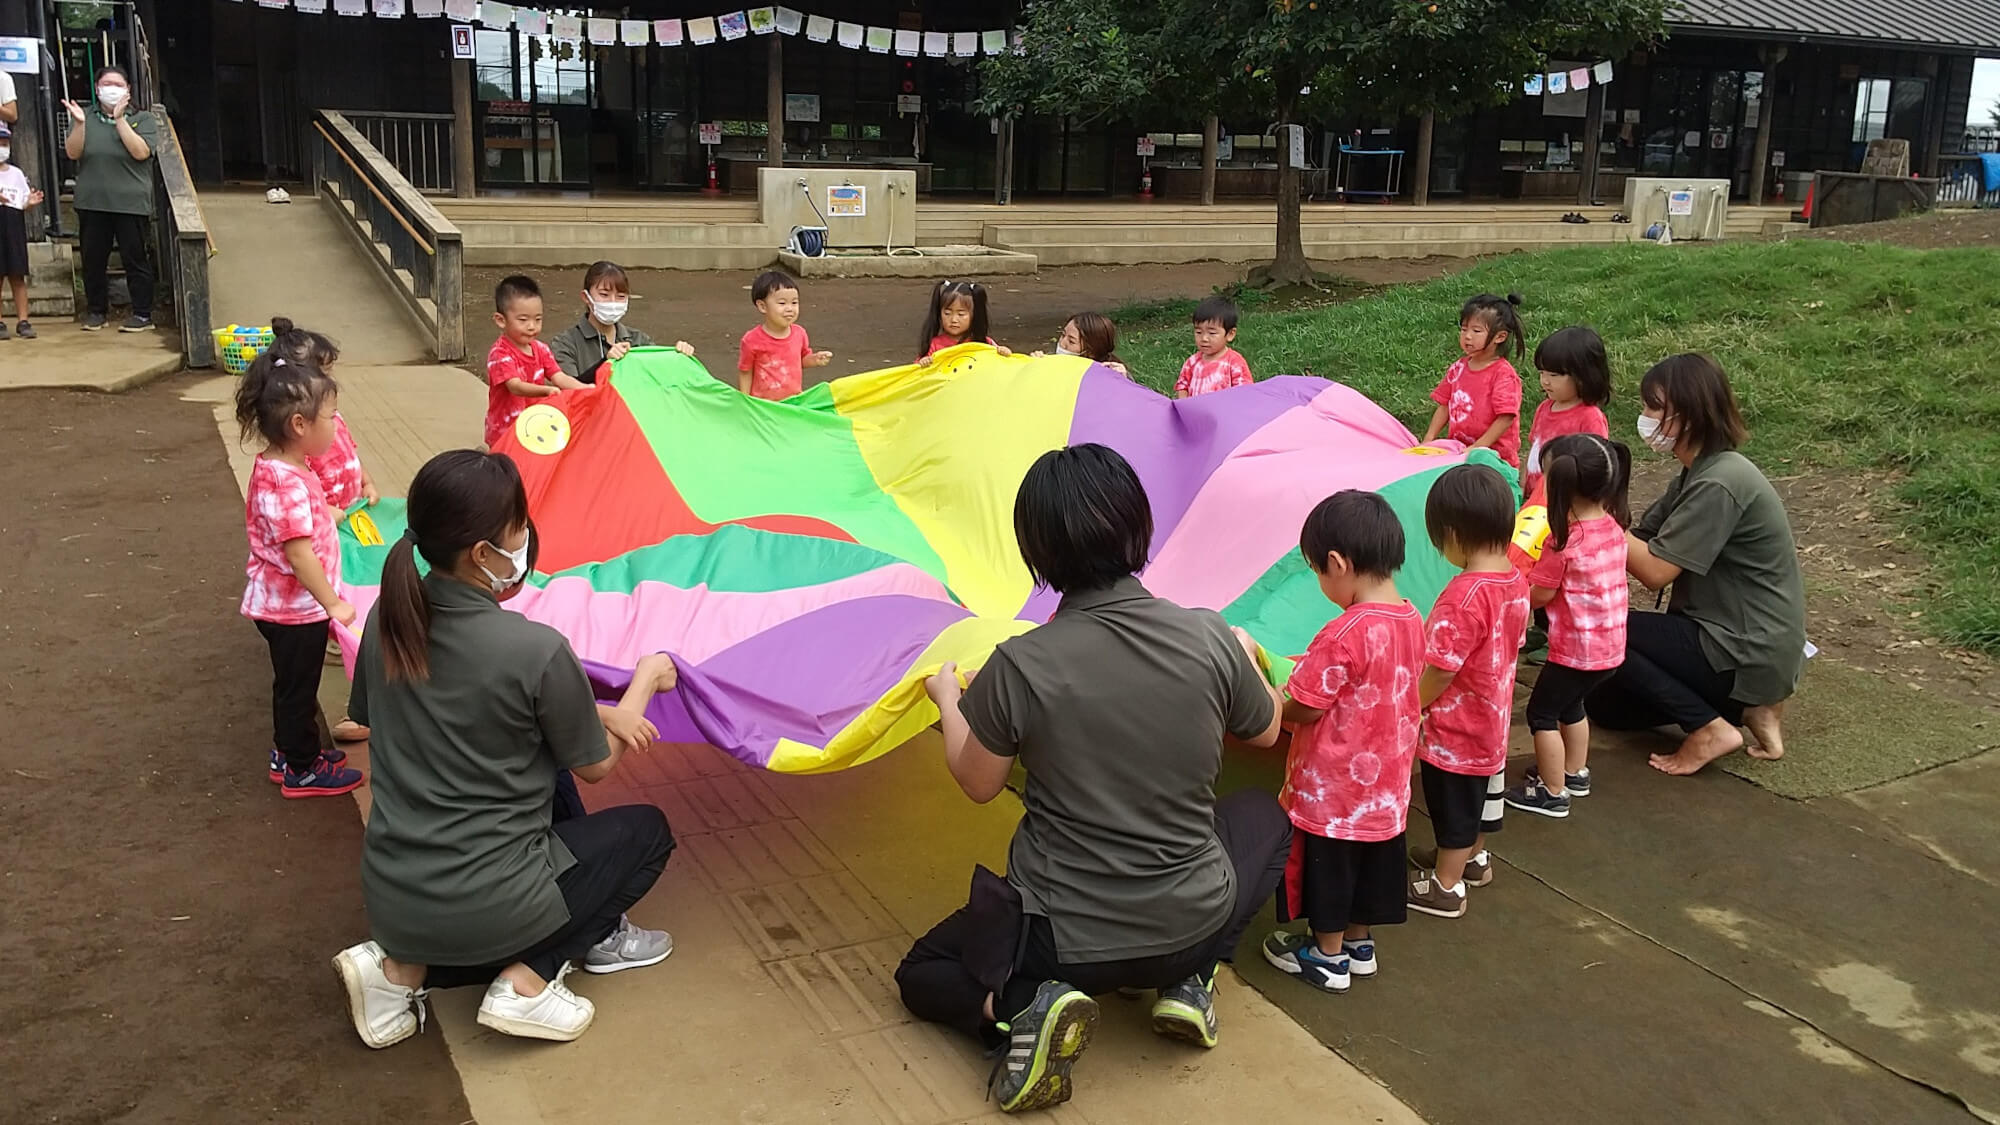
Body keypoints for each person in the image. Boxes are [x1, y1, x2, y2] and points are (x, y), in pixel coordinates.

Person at [897, 443, 1290, 1114]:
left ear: (1037, 553)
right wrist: (1245, 651)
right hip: (1193, 918)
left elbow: (978, 780)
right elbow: (1267, 728)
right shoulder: (1207, 637)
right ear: (1139, 528)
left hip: (1063, 945)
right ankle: (1193, 976)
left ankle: (1024, 1004)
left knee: (921, 972)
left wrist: (945, 699)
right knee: (1264, 817)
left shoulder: (1020, 664)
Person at [330, 451, 678, 1048]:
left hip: (396, 893)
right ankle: (529, 979)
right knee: (647, 832)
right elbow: (599, 767)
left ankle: (398, 968)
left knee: (552, 774)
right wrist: (644, 682)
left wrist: (593, 709)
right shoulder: (535, 648)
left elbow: (414, 710)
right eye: (518, 527)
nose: (526, 537)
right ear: (482, 554)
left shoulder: (391, 619)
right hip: (490, 899)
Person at [1586, 354, 1804, 775]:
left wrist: (1590, 512)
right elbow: (1642, 536)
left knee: (1600, 629)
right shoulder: (1697, 472)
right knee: (1604, 705)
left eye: (1653, 407)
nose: (1644, 417)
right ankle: (1751, 708)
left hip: (1740, 644)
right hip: (1726, 638)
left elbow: (1654, 571)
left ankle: (1709, 727)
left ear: (1689, 414)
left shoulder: (1721, 482)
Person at [1260, 491, 1424, 992]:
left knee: (1328, 870)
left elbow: (1307, 702)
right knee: (1373, 865)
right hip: (1386, 791)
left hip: (1334, 792)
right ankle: (1358, 943)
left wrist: (1270, 696)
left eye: (1317, 571)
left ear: (1336, 562)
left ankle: (1326, 956)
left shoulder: (1345, 630)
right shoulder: (1413, 618)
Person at [233, 349, 365, 798]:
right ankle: (301, 768)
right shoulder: (285, 479)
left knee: (295, 684)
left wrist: (327, 511)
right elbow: (298, 551)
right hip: (294, 611)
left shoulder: (285, 467)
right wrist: (332, 602)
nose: (336, 424)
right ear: (299, 426)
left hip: (294, 607)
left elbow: (294, 520)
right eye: (330, 416)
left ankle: (290, 751)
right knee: (297, 687)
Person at [1406, 465, 1530, 918]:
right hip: (1492, 719)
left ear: (1453, 535)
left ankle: (1446, 886)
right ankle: (1471, 861)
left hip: (1456, 730)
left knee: (1453, 808)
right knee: (1480, 800)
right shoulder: (1516, 580)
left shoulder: (1462, 596)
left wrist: (1411, 704)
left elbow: (1440, 669)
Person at [1506, 435, 1631, 817]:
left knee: (1541, 714)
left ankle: (1552, 791)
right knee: (1572, 705)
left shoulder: (1563, 544)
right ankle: (1574, 772)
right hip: (1610, 650)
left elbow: (1541, 594)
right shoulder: (1613, 526)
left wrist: (1516, 589)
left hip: (1573, 653)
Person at [270, 316, 379, 741]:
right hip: (327, 524)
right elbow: (297, 546)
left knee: (350, 572)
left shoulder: (326, 419)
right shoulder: (291, 464)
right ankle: (336, 638)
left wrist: (365, 479)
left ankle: (337, 625)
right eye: (323, 373)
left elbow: (350, 450)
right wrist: (324, 510)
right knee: (337, 580)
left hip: (347, 513)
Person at [63, 67, 158, 333]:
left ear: (128, 89)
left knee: (136, 258)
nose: (111, 88)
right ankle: (96, 312)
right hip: (92, 202)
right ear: (96, 88)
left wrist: (120, 120)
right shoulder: (85, 116)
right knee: (93, 260)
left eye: (118, 84)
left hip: (131, 203)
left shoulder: (144, 118)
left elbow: (141, 152)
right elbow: (73, 152)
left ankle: (142, 313)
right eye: (106, 83)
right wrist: (80, 124)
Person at [547, 260, 695, 385]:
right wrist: (606, 363)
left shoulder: (638, 340)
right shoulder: (566, 343)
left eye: (620, 296)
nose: (612, 302)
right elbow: (570, 389)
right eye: (604, 295)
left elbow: (661, 379)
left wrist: (678, 357)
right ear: (586, 297)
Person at [1422, 293, 1525, 467]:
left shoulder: (1503, 374)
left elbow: (1505, 417)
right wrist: (1428, 439)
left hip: (1494, 459)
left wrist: (1478, 447)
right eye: (1464, 329)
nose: (1467, 336)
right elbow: (1444, 405)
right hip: (1460, 454)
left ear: (1500, 337)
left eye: (1476, 331)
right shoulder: (1458, 368)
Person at [485, 275, 584, 450]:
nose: (532, 326)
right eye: (523, 320)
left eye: (538, 319)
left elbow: (558, 376)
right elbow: (515, 386)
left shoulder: (541, 349)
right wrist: (546, 391)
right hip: (505, 431)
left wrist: (585, 388)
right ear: (501, 320)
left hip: (534, 427)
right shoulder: (500, 353)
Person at [1524, 325, 1612, 497]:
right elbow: (1533, 450)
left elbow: (1595, 467)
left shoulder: (1590, 417)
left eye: (1554, 375)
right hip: (1535, 498)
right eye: (1542, 373)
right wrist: (1522, 488)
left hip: (1565, 500)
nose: (1545, 381)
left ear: (1583, 376)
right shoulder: (1544, 408)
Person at [737, 269, 832, 399]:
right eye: (782, 303)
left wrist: (815, 359)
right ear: (762, 306)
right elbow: (745, 371)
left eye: (794, 302)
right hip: (764, 405)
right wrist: (745, 401)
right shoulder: (751, 340)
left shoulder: (800, 333)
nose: (790, 309)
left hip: (793, 403)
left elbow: (801, 361)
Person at [0, 123, 45, 340]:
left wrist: (31, 202)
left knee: (17, 276)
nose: (2, 147)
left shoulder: (16, 173)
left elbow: (23, 201)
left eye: (5, 143)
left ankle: (23, 321)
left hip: (13, 227)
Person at [1174, 296, 1252, 398]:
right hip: (1195, 413)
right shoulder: (1192, 362)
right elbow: (1182, 386)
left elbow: (1245, 393)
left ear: (1230, 334)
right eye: (1198, 332)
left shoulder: (1234, 362)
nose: (1204, 338)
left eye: (1212, 333)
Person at [916, 279, 1010, 362]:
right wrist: (924, 362)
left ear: (974, 315)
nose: (953, 320)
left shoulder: (984, 343)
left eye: (961, 314)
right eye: (947, 313)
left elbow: (1000, 364)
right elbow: (915, 371)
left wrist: (1003, 352)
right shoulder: (934, 345)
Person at [1054, 311, 1128, 376]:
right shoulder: (1053, 365)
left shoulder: (1112, 374)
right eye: (1063, 335)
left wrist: (1122, 382)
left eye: (1071, 341)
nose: (1062, 343)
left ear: (1091, 352)